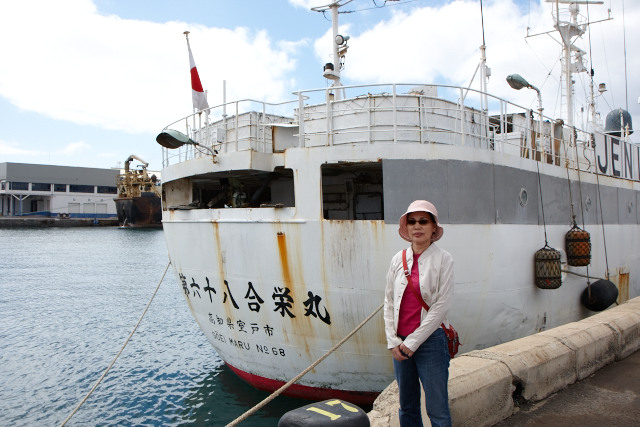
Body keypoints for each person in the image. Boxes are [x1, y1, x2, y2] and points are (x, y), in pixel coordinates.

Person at [384, 200, 454, 427]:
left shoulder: (444, 259)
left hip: (431, 342)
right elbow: (389, 301)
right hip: (400, 343)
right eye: (412, 221)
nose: (417, 226)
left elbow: (441, 307)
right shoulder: (398, 259)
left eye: (424, 221)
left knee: (438, 410)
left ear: (434, 226)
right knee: (407, 406)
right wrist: (392, 341)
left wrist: (412, 342)